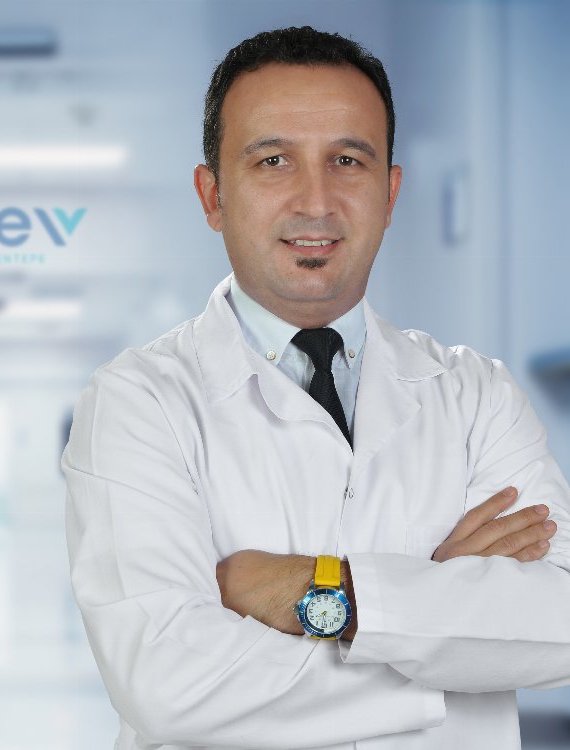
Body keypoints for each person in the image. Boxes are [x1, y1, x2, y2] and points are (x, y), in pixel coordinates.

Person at [62, 26, 570, 750]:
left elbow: (560, 620)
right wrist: (446, 632)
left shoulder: (476, 394)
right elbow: (170, 682)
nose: (316, 200)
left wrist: (322, 589)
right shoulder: (137, 402)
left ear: (390, 192)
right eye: (273, 161)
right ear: (212, 195)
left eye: (348, 160)